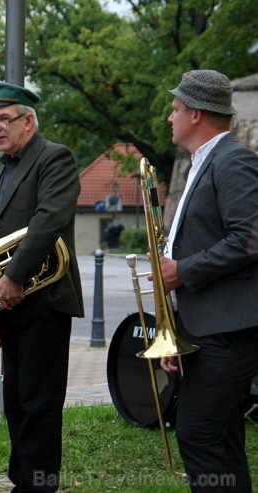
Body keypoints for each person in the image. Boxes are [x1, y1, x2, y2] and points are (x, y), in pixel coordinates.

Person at [0, 82, 84, 492]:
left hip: (43, 299)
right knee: (18, 399)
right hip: (9, 300)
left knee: (40, 403)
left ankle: (39, 484)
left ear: (29, 120)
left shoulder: (53, 158)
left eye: (4, 119)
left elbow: (47, 221)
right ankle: (22, 480)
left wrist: (14, 275)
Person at [159, 69, 258, 492]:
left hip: (230, 331)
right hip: (209, 328)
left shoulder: (234, 161)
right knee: (223, 438)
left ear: (196, 114)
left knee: (197, 433)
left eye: (176, 108)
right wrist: (174, 332)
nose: (170, 117)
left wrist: (183, 270)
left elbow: (250, 238)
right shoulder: (207, 163)